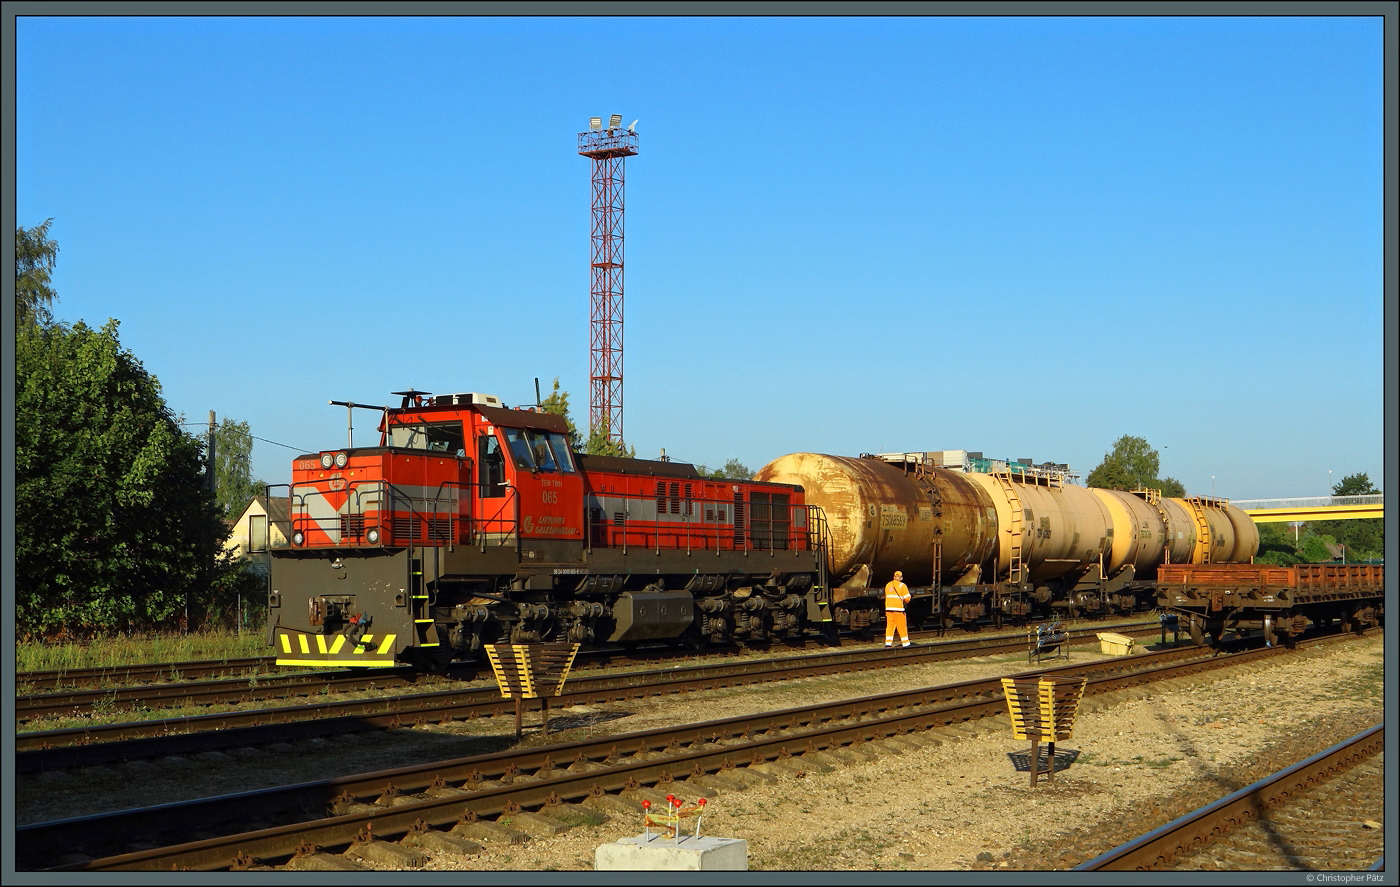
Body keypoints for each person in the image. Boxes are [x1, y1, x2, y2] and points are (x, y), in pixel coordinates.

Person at [884, 570, 911, 647]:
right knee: (902, 626)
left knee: (890, 626)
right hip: (898, 610)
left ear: (894, 577)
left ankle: (888, 643)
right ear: (901, 578)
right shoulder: (902, 585)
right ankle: (905, 643)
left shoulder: (888, 585)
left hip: (888, 609)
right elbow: (907, 598)